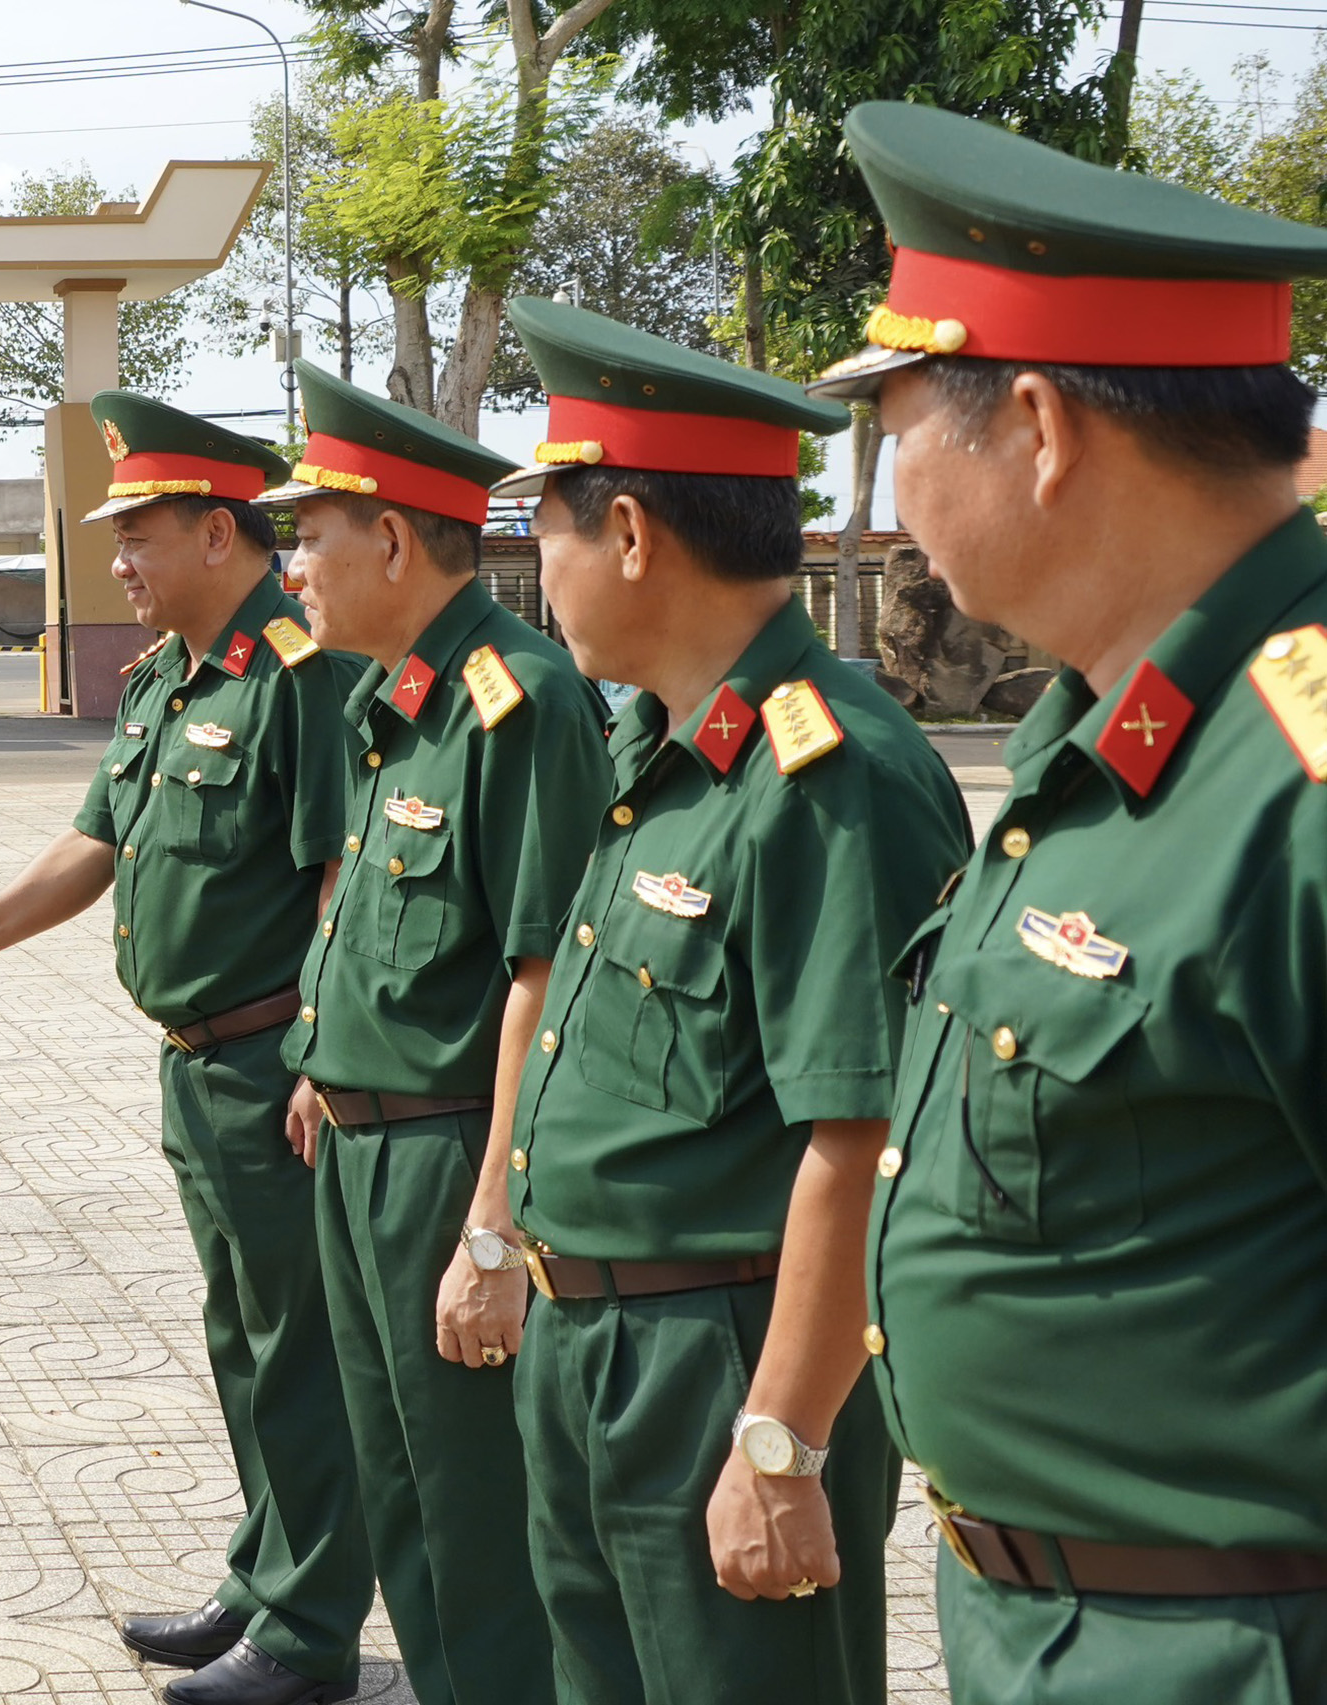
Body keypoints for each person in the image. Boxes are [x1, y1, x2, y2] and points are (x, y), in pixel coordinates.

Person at [808, 101, 1327, 1703]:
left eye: (896, 424)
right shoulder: (1097, 735)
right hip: (1046, 1622)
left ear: (1033, 424)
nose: (886, 496)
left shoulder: (1295, 780)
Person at [475, 296, 969, 1705]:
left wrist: (782, 1440)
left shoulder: (829, 777)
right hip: (594, 1347)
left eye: (545, 535)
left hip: (721, 1360)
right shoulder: (666, 749)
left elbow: (859, 1137)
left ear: (628, 533)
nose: (538, 573)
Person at [0, 391, 376, 1705]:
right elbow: (95, 842)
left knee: (299, 1348)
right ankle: (263, 1569)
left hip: (270, 1069)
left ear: (222, 534)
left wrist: (321, 1052)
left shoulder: (300, 675)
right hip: (192, 1065)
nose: (116, 561)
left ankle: (309, 1628)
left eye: (140, 535)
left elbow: (344, 872)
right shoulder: (170, 678)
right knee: (242, 1335)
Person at [266, 359, 614, 1705]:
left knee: (474, 1512)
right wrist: (317, 1059)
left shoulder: (512, 702)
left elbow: (540, 972)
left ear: (394, 540)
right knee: (398, 1490)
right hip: (358, 1141)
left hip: (448, 1156)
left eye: (308, 533)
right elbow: (361, 910)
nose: (291, 563)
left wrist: (492, 1226)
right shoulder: (387, 697)